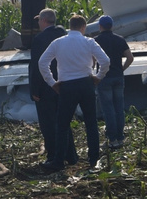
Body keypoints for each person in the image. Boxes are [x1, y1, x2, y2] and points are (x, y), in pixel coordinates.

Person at [38, 14, 109, 171]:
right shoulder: (89, 42)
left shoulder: (58, 43)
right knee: (91, 123)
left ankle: (58, 161)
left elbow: (42, 63)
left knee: (62, 124)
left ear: (70, 26)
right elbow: (105, 61)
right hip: (86, 83)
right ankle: (94, 159)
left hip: (67, 86)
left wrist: (51, 82)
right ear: (83, 27)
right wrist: (98, 77)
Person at [28, 8, 79, 169]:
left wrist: (34, 90)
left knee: (49, 124)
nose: (38, 23)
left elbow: (37, 66)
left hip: (47, 87)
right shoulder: (64, 34)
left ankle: (54, 157)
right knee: (64, 122)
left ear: (43, 21)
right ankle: (71, 155)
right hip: (66, 83)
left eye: (39, 21)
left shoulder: (40, 39)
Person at [94, 15, 134, 149]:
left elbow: (92, 61)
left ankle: (112, 139)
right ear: (112, 26)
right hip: (118, 77)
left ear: (100, 26)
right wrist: (122, 69)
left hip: (104, 78)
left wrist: (94, 73)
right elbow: (130, 58)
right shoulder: (120, 39)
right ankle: (120, 137)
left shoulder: (96, 41)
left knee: (108, 109)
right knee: (119, 108)